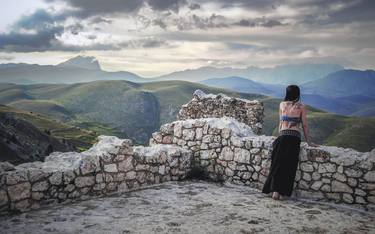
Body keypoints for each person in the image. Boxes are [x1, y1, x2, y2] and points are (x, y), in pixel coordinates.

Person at [261, 84, 318, 200]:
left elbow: (280, 123)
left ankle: (274, 192)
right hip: (294, 138)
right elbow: (305, 125)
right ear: (297, 94)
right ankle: (282, 193)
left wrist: (278, 136)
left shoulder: (282, 104)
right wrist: (309, 142)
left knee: (277, 165)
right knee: (289, 166)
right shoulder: (301, 107)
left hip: (282, 137)